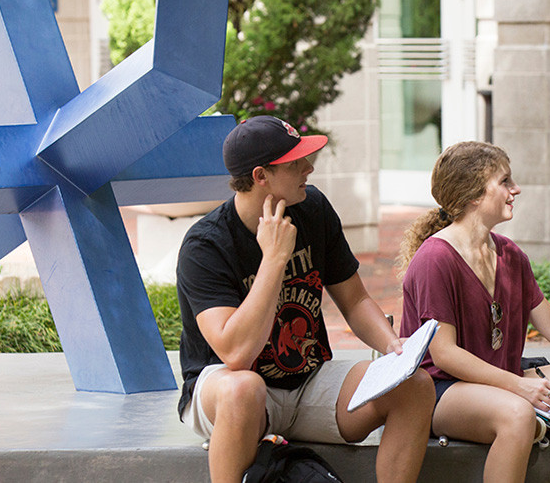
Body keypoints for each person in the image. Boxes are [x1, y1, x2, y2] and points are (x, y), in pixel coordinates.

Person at [174, 115, 434, 483]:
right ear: (261, 176)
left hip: (308, 381)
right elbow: (235, 354)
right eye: (296, 162)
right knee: (243, 389)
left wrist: (393, 346)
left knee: (415, 386)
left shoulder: (313, 209)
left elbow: (355, 300)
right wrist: (274, 258)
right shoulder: (206, 245)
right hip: (229, 394)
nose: (309, 168)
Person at [397, 140, 550, 483]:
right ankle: (528, 422)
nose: (516, 189)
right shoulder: (435, 258)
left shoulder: (509, 254)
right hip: (442, 390)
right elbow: (445, 355)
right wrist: (519, 388)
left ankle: (535, 423)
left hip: (504, 380)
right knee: (516, 415)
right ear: (473, 194)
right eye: (505, 181)